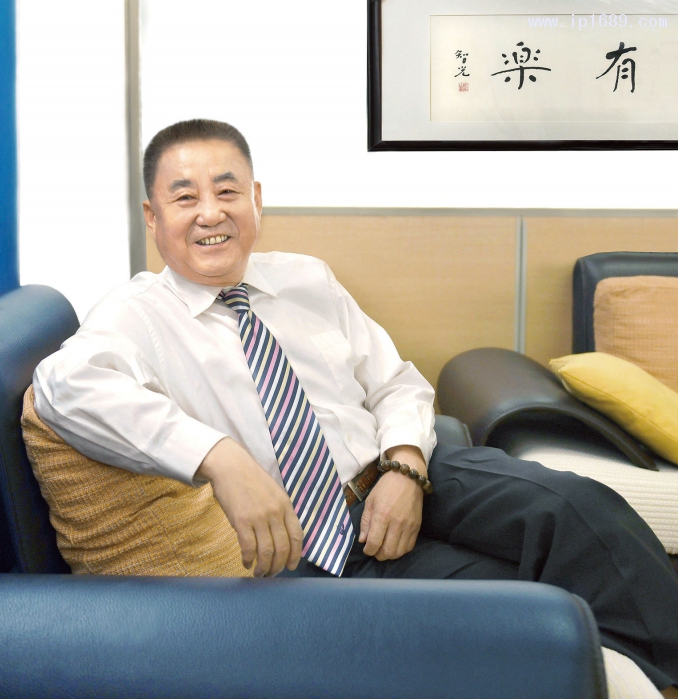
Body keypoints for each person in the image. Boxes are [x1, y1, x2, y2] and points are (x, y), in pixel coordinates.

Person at [33, 119, 678, 696]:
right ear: (153, 218)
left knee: (578, 507)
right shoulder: (137, 315)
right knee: (522, 607)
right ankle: (607, 673)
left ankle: (648, 675)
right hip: (314, 542)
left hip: (406, 469)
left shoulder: (306, 279)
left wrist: (405, 467)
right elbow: (64, 385)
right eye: (185, 197)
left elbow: (396, 382)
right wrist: (220, 459)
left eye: (227, 191)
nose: (210, 213)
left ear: (256, 200)